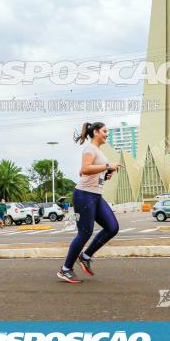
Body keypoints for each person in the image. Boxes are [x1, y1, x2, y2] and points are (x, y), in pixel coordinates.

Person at [57, 121, 121, 284]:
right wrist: (107, 166)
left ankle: (85, 256)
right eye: (105, 131)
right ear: (96, 133)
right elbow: (84, 169)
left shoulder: (98, 151)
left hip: (96, 196)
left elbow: (86, 172)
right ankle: (65, 269)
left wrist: (106, 173)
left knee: (112, 227)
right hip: (84, 195)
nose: (107, 134)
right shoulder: (89, 149)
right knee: (85, 232)